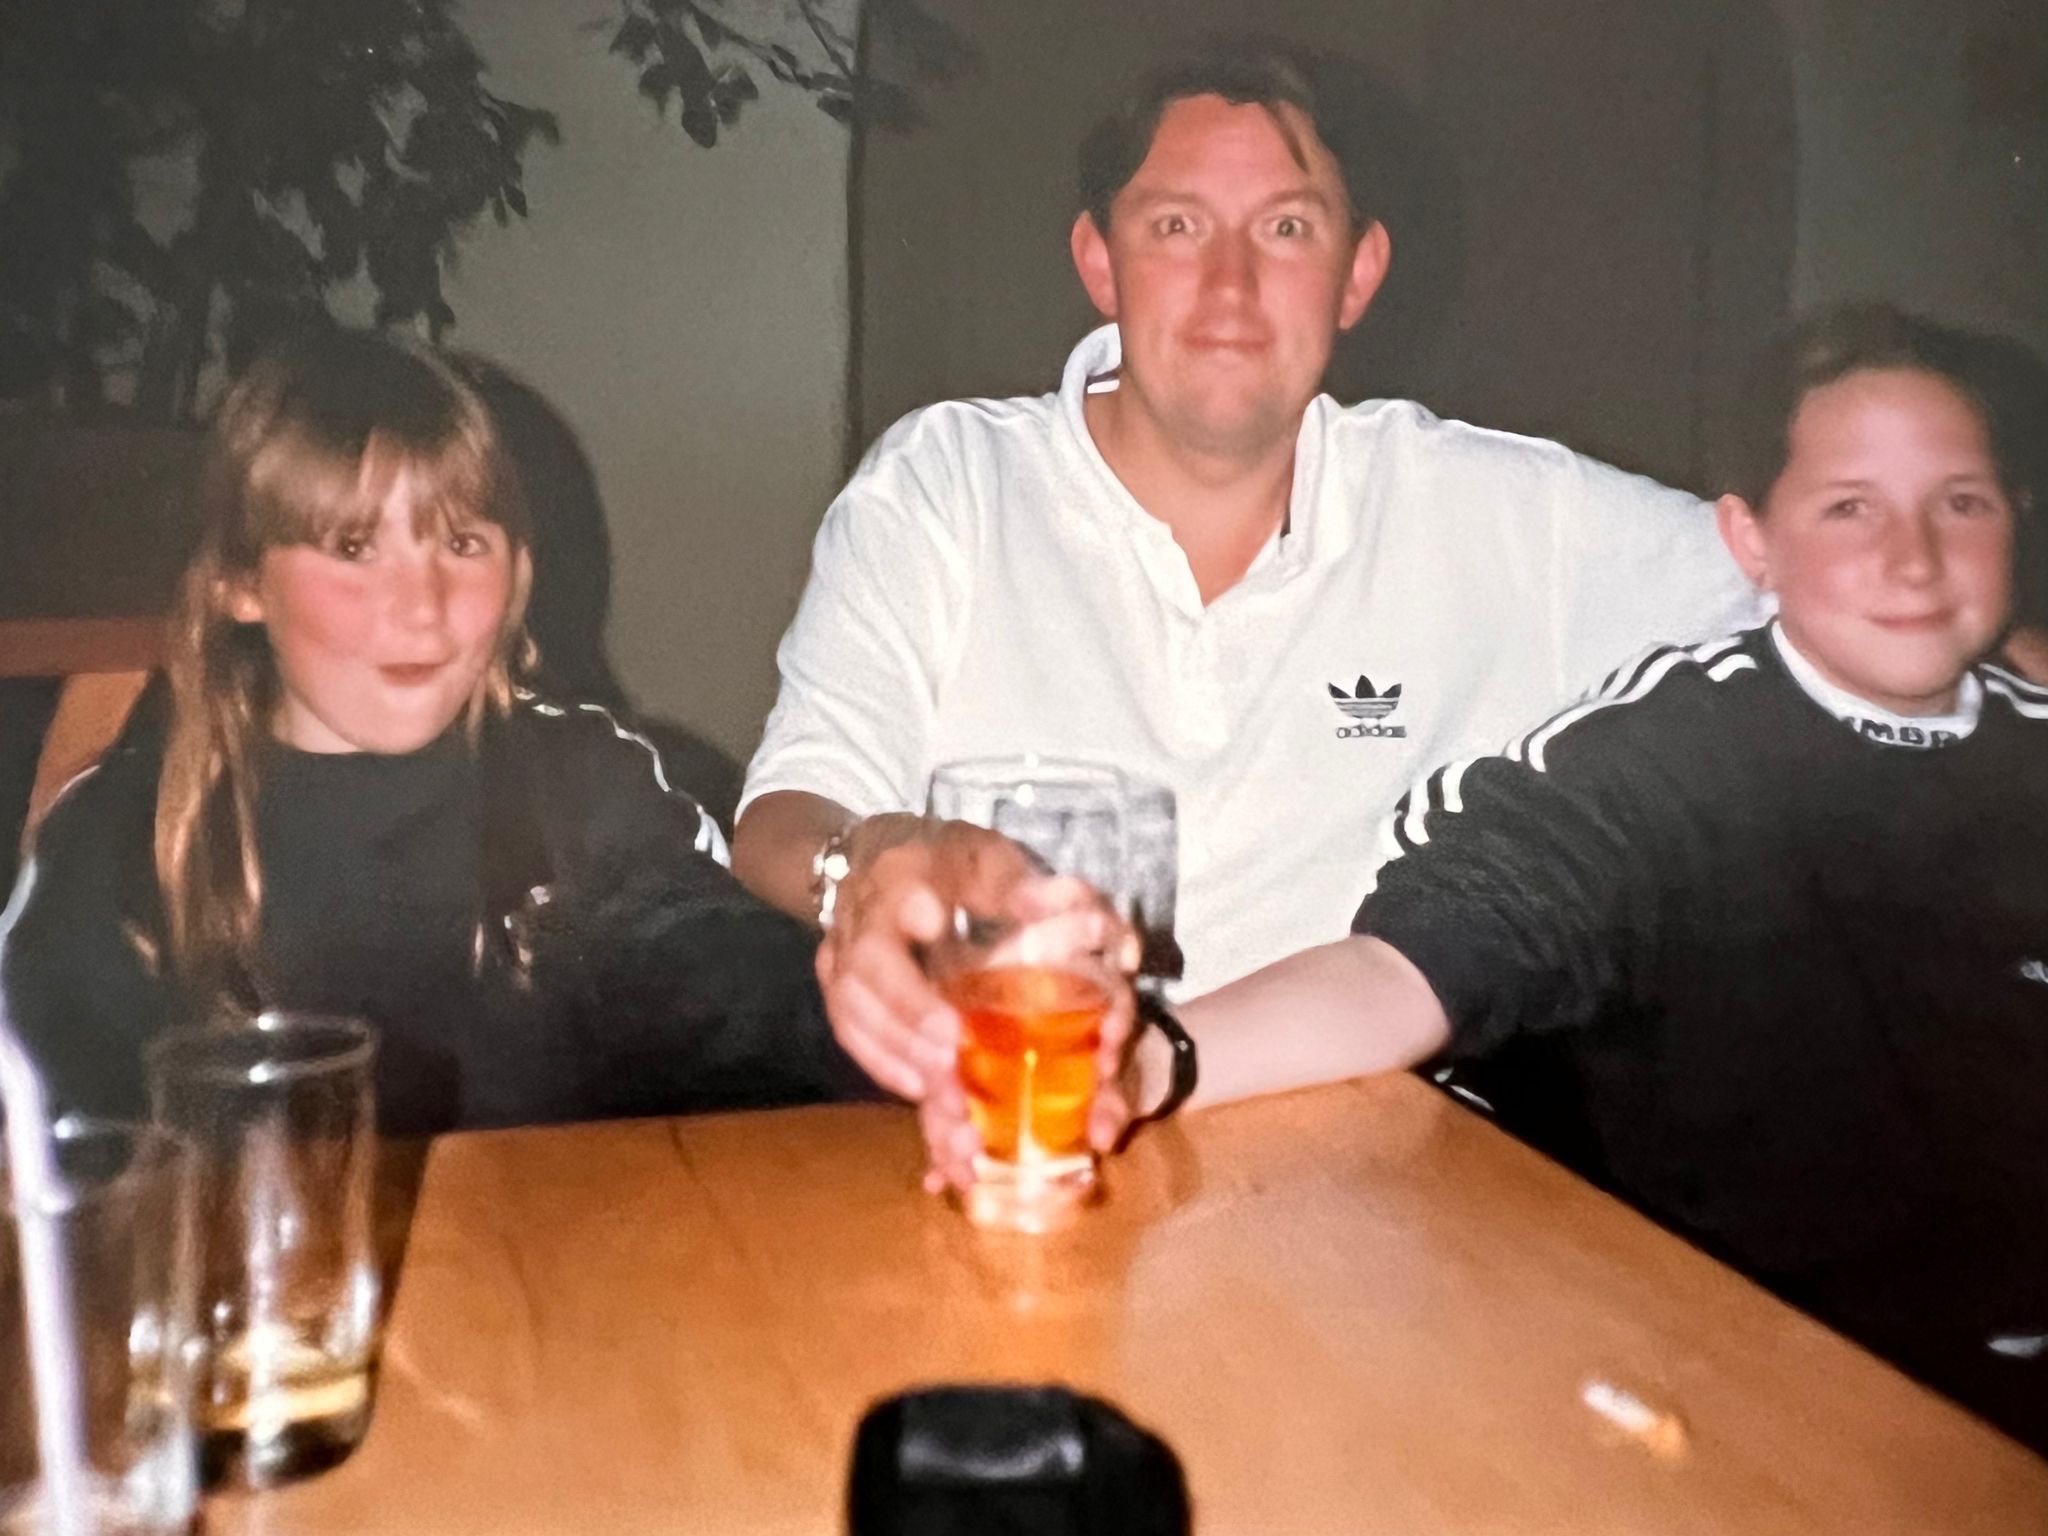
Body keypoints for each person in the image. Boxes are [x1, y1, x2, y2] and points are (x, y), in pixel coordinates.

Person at [1070, 304, 2043, 1448]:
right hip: (1744, 1391)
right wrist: (1144, 1063)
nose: (1912, 557)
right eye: (1848, 508)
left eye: (1960, 503)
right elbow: (1404, 968)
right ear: (1749, 543)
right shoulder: (1663, 757)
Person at [736, 38, 1764, 1107]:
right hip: (1005, 1119)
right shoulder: (949, 482)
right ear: (1099, 262)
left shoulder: (1506, 516)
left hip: (1379, 1171)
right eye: (1176, 227)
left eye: (1285, 229)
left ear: (1357, 274)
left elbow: (1806, 583)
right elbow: (783, 814)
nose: (1229, 286)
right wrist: (869, 865)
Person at [1, 331, 865, 1135]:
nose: (422, 606)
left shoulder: (587, 793)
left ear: (519, 574)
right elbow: (48, 1148)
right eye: (353, 548)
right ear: (241, 582)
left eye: (461, 543)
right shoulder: (123, 847)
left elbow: (751, 1008)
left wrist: (881, 999)